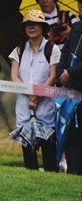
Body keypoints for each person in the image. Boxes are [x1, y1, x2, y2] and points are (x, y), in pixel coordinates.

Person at [9, 10, 60, 172]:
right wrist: (29, 94)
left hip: (46, 111)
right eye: (28, 25)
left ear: (42, 27)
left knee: (49, 158)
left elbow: (53, 76)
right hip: (24, 109)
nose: (31, 27)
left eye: (35, 24)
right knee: (29, 160)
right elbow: (14, 77)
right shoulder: (19, 49)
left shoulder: (52, 49)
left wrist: (37, 96)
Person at [55, 0, 82, 175]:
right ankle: (73, 175)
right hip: (72, 97)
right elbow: (65, 53)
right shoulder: (77, 28)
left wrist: (71, 73)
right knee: (72, 140)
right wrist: (61, 73)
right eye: (80, 4)